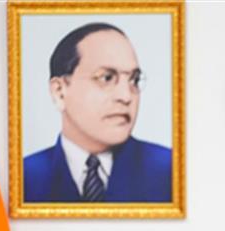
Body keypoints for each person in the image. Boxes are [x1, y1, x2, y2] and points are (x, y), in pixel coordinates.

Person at [24, 23, 171, 203]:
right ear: (59, 92)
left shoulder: (170, 171)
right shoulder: (24, 178)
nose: (126, 96)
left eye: (134, 80)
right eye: (106, 78)